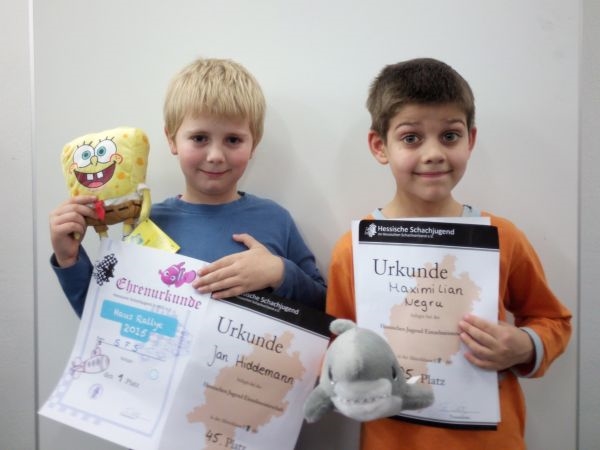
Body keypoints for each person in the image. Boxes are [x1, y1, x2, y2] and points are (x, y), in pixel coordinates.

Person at [326, 58, 572, 449]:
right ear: (379, 146)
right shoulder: (353, 249)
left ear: (470, 140)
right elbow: (338, 342)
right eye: (411, 138)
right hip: (392, 440)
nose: (434, 153)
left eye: (450, 136)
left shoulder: (502, 237)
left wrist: (526, 345)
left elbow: (553, 319)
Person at [49, 57, 326, 316]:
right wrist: (68, 258)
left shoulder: (276, 219)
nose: (215, 155)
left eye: (233, 140)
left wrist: (279, 272)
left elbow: (325, 310)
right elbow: (108, 320)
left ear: (254, 143)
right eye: (199, 138)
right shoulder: (144, 223)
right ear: (172, 139)